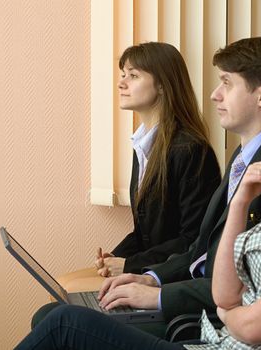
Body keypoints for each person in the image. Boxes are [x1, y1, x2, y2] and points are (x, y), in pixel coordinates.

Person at [15, 89, 261, 349]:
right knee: (56, 318)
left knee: (63, 324)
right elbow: (223, 292)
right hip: (215, 340)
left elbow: (253, 325)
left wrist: (229, 312)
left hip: (224, 343)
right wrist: (241, 200)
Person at [27, 36, 261, 335]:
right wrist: (151, 278)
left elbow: (248, 280)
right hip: (193, 295)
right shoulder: (244, 156)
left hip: (209, 320)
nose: (214, 95)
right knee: (51, 315)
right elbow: (202, 249)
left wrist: (157, 293)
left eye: (226, 83)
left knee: (58, 322)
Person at [94, 41, 221, 277]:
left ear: (162, 85)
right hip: (148, 275)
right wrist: (118, 256)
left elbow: (193, 240)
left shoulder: (191, 149)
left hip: (172, 282)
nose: (121, 83)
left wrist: (130, 265)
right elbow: (146, 233)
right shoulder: (143, 146)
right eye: (123, 75)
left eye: (133, 75)